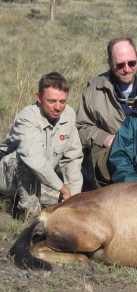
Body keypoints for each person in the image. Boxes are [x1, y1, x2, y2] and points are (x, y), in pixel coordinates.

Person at [0, 72, 83, 217]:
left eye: (62, 101)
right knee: (25, 159)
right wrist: (62, 188)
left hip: (41, 179)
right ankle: (28, 214)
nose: (58, 107)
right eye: (51, 101)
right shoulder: (27, 117)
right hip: (7, 177)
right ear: (38, 97)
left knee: (72, 201)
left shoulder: (68, 114)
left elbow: (72, 157)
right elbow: (33, 160)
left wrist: (73, 198)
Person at [76, 37, 137, 189]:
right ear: (110, 63)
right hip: (113, 157)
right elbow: (80, 127)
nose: (127, 69)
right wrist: (104, 138)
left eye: (132, 63)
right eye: (120, 65)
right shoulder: (94, 90)